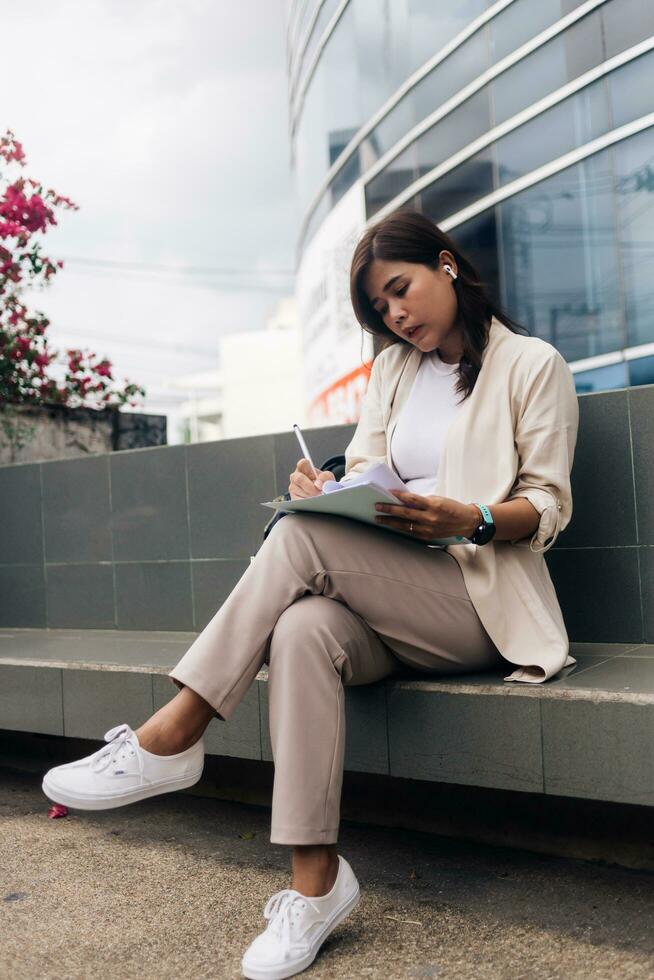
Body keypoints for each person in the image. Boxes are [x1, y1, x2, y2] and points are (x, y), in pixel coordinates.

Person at [42, 209, 579, 980]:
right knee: (299, 629)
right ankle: (315, 884)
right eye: (380, 309)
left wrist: (474, 515)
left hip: (479, 602)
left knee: (297, 538)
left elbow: (549, 507)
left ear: (446, 266)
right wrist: (324, 488)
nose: (395, 315)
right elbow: (364, 470)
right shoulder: (394, 370)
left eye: (400, 291)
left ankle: (174, 734)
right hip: (385, 595)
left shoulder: (533, 364)